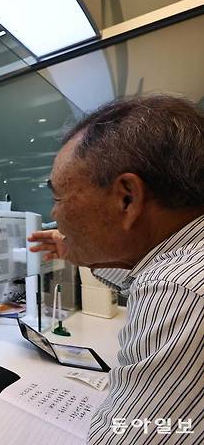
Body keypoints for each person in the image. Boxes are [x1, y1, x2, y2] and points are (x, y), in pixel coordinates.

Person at [28, 95, 203, 444]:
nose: (54, 215)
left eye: (59, 198)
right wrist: (83, 254)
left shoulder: (179, 291)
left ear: (127, 198)